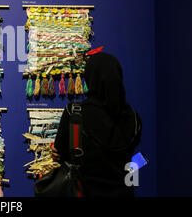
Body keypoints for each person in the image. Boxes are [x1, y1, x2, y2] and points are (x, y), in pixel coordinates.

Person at [51, 52, 142, 197]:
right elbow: (133, 154)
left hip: (83, 191)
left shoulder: (74, 113)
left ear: (90, 78)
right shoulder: (133, 118)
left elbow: (60, 154)